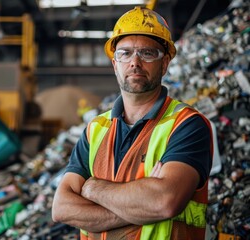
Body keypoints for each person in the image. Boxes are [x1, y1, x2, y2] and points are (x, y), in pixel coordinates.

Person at [52, 6, 213, 240]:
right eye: (125, 53)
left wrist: (91, 188)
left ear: (165, 63)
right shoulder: (95, 130)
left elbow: (164, 202)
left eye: (147, 53)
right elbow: (61, 207)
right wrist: (141, 206)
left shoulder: (186, 125)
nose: (134, 62)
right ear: (115, 64)